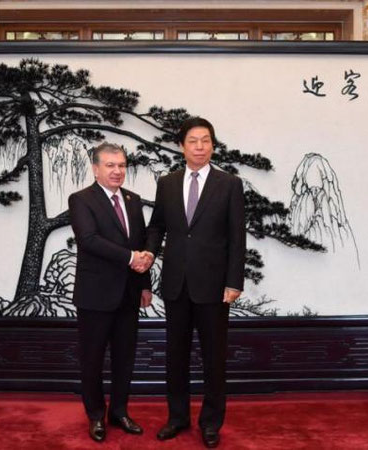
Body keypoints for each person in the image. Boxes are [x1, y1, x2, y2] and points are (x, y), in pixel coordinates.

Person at [145, 117, 246, 448]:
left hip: (214, 287)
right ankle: (177, 418)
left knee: (214, 358)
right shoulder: (167, 183)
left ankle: (211, 422)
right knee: (176, 356)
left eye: (205, 140)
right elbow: (157, 226)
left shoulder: (229, 184)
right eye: (193, 141)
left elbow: (237, 237)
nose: (200, 147)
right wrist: (149, 252)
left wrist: (234, 281)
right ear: (181, 146)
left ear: (213, 145)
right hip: (176, 284)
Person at [68, 142, 154, 443]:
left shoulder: (133, 200)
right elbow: (89, 239)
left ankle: (119, 412)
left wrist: (145, 284)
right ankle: (95, 415)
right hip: (95, 295)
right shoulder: (81, 200)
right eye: (110, 165)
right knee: (92, 359)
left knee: (124, 358)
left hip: (129, 294)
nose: (117, 171)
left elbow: (140, 242)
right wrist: (131, 258)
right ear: (95, 169)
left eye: (121, 165)